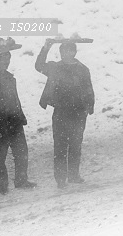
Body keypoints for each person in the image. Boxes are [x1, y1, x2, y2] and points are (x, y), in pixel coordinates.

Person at [36, 39, 95, 188]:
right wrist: (45, 48)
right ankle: (61, 179)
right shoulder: (55, 68)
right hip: (61, 112)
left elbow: (88, 88)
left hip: (78, 112)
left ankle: (74, 175)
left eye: (68, 51)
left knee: (75, 145)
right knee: (60, 146)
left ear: (74, 52)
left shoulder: (82, 69)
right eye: (62, 52)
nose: (65, 54)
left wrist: (90, 105)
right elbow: (39, 66)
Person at [0, 42, 35, 194]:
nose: (7, 63)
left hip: (14, 120)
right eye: (4, 60)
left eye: (8, 60)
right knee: (0, 154)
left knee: (21, 152)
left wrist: (20, 116)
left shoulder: (9, 78)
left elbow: (14, 99)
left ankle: (21, 180)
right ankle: (3, 185)